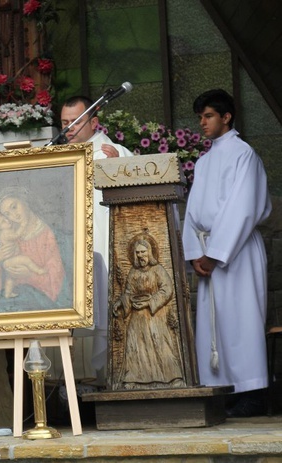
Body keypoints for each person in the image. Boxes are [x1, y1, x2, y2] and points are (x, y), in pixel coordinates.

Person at [182, 89, 271, 417]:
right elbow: (192, 210)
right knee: (215, 325)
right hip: (208, 253)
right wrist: (194, 251)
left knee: (241, 319)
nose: (202, 123)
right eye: (200, 117)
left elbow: (242, 208)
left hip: (237, 251)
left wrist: (216, 253)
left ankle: (253, 392)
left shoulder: (243, 154)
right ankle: (225, 391)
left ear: (226, 117)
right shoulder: (204, 161)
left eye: (208, 116)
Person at [60, 95, 135, 379]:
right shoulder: (60, 152)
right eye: (65, 123)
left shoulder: (113, 152)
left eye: (76, 122)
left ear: (93, 122)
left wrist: (119, 170)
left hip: (105, 241)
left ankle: (111, 380)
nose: (69, 128)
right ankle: (76, 383)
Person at [113, 236, 184, 390]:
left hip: (155, 315)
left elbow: (167, 289)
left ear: (150, 252)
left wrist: (151, 301)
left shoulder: (157, 270)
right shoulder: (133, 271)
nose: (140, 256)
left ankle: (172, 378)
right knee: (134, 345)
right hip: (137, 316)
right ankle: (133, 379)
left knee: (159, 343)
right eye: (137, 253)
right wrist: (121, 302)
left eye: (143, 252)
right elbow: (128, 292)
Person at [0, 191, 65, 307]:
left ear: (25, 201)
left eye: (14, 207)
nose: (14, 215)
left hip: (37, 305)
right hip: (10, 305)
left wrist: (30, 276)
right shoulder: (8, 238)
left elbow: (58, 289)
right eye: (7, 214)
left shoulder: (52, 236)